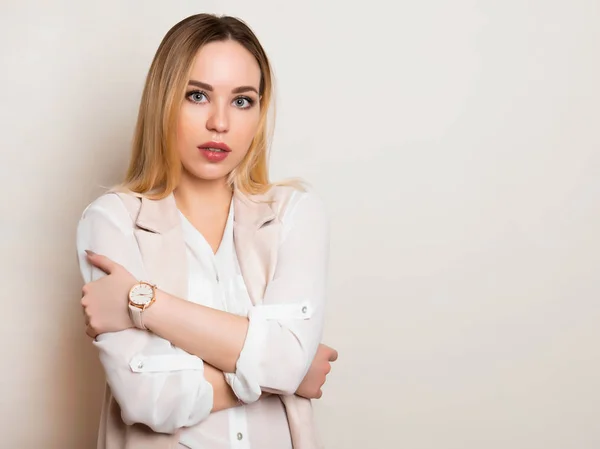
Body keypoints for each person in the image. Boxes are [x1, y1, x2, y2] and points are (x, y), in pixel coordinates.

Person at [76, 12, 337, 449]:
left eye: (241, 100)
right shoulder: (112, 220)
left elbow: (287, 362)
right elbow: (148, 398)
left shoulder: (296, 213)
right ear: (163, 100)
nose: (220, 122)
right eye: (197, 95)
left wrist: (147, 303)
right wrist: (282, 373)